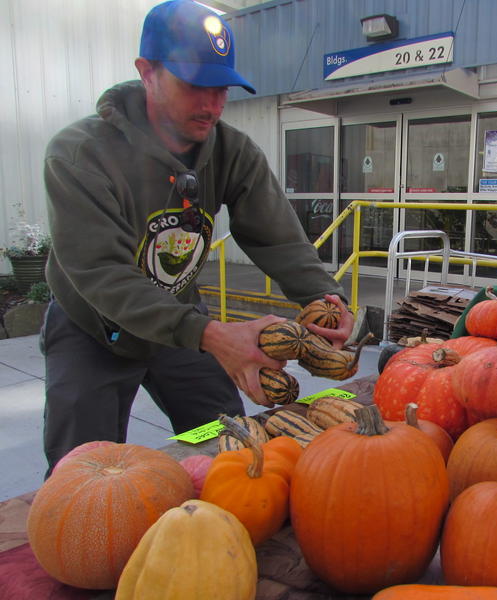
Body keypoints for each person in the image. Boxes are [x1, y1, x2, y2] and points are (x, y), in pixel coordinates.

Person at [40, 0, 353, 476]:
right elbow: (102, 274)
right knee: (81, 477)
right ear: (147, 72)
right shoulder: (79, 155)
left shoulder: (232, 151)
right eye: (195, 85)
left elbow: (277, 236)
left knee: (227, 440)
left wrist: (324, 295)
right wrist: (212, 336)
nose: (212, 104)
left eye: (221, 87)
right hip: (92, 329)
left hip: (180, 323)